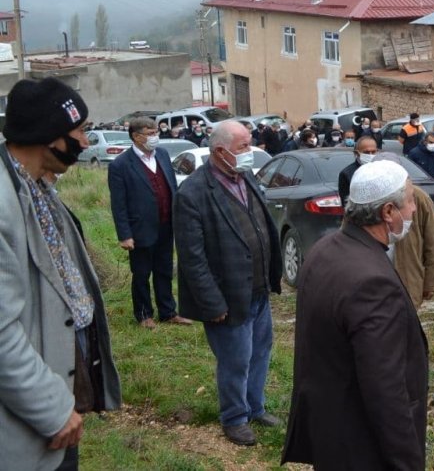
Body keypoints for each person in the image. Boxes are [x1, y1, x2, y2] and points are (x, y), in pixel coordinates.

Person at [0, 77, 122, 470]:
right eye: (80, 132)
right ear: (48, 135)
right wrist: (51, 409)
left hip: (56, 396)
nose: (86, 144)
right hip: (33, 418)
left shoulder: (36, 188)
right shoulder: (4, 204)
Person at [282, 160, 428, 469]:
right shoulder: (371, 282)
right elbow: (384, 389)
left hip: (330, 432)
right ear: (388, 212)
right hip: (362, 445)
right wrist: (408, 462)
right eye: (411, 200)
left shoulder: (325, 249)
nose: (414, 210)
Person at [174, 120, 283, 446]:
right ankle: (234, 418)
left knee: (260, 351)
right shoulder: (193, 193)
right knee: (235, 359)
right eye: (243, 147)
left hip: (258, 289)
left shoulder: (245, 177)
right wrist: (212, 303)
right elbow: (193, 259)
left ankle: (254, 407)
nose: (250, 153)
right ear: (221, 152)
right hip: (227, 296)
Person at [108, 117, 191, 329]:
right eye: (150, 133)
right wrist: (124, 234)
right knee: (142, 273)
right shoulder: (121, 165)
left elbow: (171, 186)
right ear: (136, 137)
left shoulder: (161, 155)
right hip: (140, 228)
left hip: (165, 223)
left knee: (164, 269)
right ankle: (144, 314)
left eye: (156, 132)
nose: (155, 137)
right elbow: (119, 204)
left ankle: (168, 311)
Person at [339, 135, 379, 203]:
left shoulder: (382, 169)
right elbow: (346, 203)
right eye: (366, 152)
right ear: (357, 153)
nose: (370, 155)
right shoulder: (347, 174)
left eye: (373, 152)